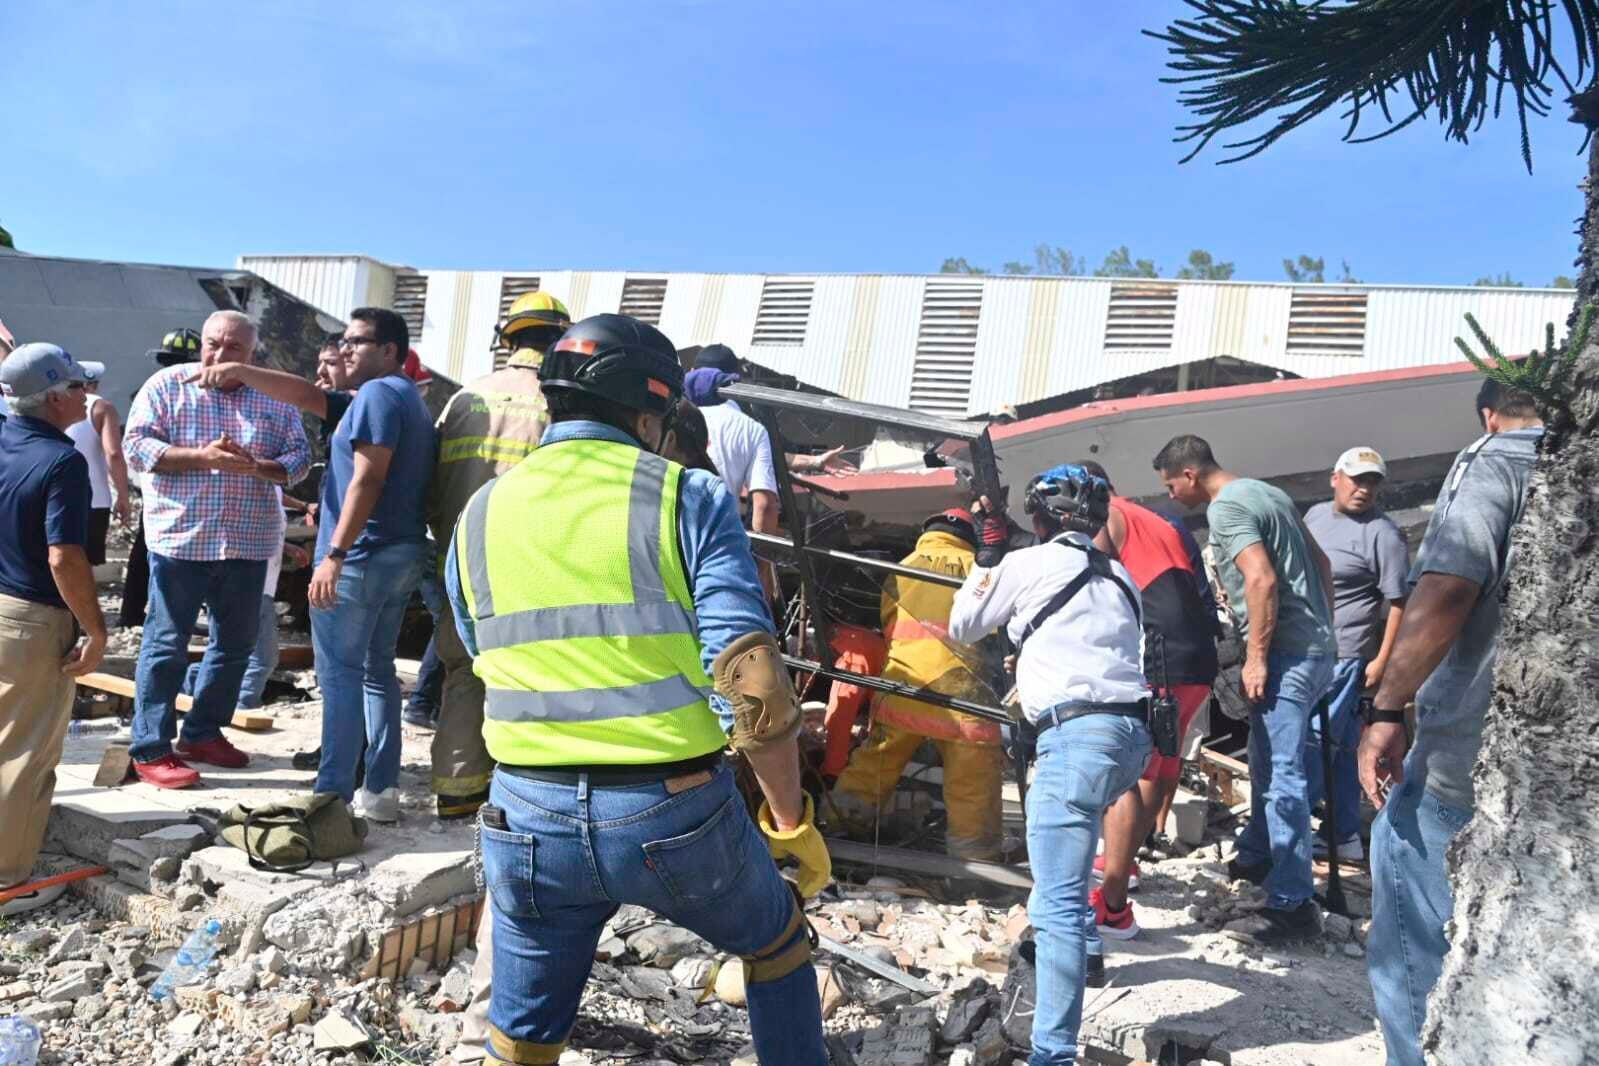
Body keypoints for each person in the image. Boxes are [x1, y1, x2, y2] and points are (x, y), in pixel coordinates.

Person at [447, 314, 829, 1066]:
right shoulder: (683, 493)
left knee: (522, 1036)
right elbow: (749, 684)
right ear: (652, 413)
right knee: (778, 946)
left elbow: (477, 647)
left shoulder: (481, 509)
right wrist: (789, 823)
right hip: (672, 808)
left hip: (526, 811)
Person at [1358, 380, 1542, 1066]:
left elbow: (1446, 588)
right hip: (1562, 780)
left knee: (1412, 909)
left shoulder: (1496, 459)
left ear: (1490, 415)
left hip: (1474, 757)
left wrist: (1384, 711)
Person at [948, 465, 1151, 1066]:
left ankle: (1053, 1055)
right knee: (1081, 836)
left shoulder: (1028, 564)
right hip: (1129, 738)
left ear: (1036, 519)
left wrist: (988, 556)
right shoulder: (1119, 575)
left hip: (1076, 739)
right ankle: (1089, 952)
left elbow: (964, 624)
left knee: (1055, 905)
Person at [1153, 434, 1335, 944]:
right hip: (1316, 647)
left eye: (1171, 486)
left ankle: (1293, 904)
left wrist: (1257, 656)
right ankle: (1256, 858)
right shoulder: (1267, 493)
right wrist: (1324, 628)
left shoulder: (1226, 509)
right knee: (1266, 758)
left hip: (1286, 654)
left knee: (1282, 777)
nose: (1172, 497)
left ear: (1190, 475)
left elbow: (1260, 581)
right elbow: (1323, 566)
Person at [123, 311, 310, 789]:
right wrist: (202, 458)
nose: (220, 357)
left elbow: (299, 458)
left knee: (235, 647)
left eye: (234, 350)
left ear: (252, 355)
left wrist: (259, 468)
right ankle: (150, 747)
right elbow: (137, 447)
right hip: (183, 540)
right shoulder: (167, 386)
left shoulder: (272, 395)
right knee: (167, 643)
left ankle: (204, 733)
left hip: (247, 542)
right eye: (213, 345)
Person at [424, 290, 570, 820]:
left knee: (463, 672)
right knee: (532, 677)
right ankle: (522, 794)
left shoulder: (466, 398)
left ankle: (457, 789)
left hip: (459, 558)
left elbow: (431, 486)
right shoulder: (561, 403)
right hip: (530, 566)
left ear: (508, 338)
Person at [1076, 460, 1220, 943]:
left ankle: (1113, 902)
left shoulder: (1105, 515)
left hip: (1158, 648)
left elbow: (1092, 583)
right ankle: (1126, 862)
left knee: (1128, 767)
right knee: (1159, 762)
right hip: (1197, 653)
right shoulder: (1157, 519)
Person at [830, 508, 1006, 860]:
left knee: (876, 762)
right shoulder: (981, 570)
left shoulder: (902, 567)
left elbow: (888, 623)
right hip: (962, 693)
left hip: (903, 688)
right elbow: (996, 631)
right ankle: (975, 861)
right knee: (972, 774)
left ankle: (838, 824)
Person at [0, 344, 107, 916]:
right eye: (77, 386)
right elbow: (65, 557)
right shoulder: (63, 462)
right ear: (55, 397)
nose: (85, 395)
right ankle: (8, 880)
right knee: (23, 751)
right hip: (30, 617)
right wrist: (94, 629)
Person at [1303, 446, 1409, 861]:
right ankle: (1345, 835)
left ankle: (1287, 827)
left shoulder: (1384, 533)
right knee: (1344, 749)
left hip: (1347, 655)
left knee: (1313, 741)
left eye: (1372, 482)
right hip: (1311, 648)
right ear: (1336, 478)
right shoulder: (1314, 516)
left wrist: (1382, 660)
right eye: (1356, 479)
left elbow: (1398, 602)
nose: (1363, 489)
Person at [121, 328, 204, 628]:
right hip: (167, 483)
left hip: (166, 482)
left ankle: (141, 613)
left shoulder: (155, 391)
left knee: (152, 549)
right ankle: (142, 614)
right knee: (158, 551)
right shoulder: (156, 393)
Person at [64, 361, 131, 566]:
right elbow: (113, 454)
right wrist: (123, 495)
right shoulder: (102, 407)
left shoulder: (56, 403)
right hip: (95, 497)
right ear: (94, 385)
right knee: (86, 563)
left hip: (57, 494)